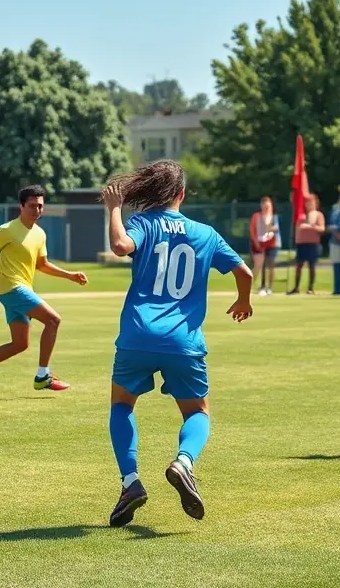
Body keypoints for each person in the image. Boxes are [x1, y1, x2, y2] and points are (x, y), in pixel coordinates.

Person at [100, 160, 253, 527]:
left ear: (151, 192)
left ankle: (131, 482)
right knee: (197, 412)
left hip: (137, 336)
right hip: (183, 341)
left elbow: (121, 245)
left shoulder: (143, 223)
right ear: (181, 194)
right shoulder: (205, 233)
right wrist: (244, 300)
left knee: (122, 406)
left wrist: (115, 208)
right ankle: (183, 463)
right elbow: (243, 272)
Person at [0, 185, 88, 396]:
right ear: (21, 206)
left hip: (21, 288)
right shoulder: (9, 229)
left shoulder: (39, 233)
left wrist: (70, 275)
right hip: (11, 287)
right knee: (53, 320)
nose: (36, 210)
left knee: (19, 344)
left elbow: (42, 264)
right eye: (31, 206)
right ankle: (42, 376)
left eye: (40, 206)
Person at [288, 194, 325, 295]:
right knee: (299, 266)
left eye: (311, 203)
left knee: (312, 266)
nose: (309, 205)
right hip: (302, 244)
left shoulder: (319, 215)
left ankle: (311, 288)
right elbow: (298, 229)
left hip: (313, 244)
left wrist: (311, 226)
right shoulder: (301, 216)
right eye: (308, 203)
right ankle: (296, 288)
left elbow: (322, 229)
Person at [249, 197, 280, 296]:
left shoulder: (274, 217)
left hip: (272, 243)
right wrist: (256, 243)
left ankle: (269, 287)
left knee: (270, 265)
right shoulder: (257, 216)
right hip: (259, 243)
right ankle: (255, 287)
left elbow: (276, 228)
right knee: (259, 266)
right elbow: (252, 230)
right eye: (264, 205)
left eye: (268, 205)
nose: (266, 207)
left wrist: (271, 228)